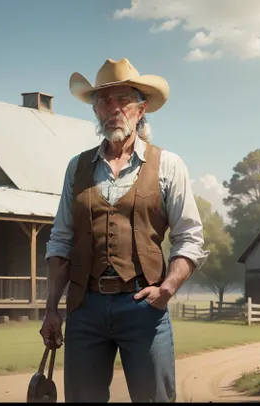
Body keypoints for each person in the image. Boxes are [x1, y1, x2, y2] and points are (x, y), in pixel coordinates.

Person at [40, 58, 209, 403]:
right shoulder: (77, 167)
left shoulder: (168, 165)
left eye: (123, 100)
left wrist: (167, 288)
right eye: (104, 100)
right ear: (96, 109)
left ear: (141, 108)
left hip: (143, 306)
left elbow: (190, 237)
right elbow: (61, 239)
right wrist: (51, 308)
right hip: (84, 307)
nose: (113, 108)